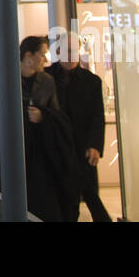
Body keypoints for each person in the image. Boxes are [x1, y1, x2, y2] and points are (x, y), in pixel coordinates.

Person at [0, 36, 79, 222]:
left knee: (44, 206)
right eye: (42, 55)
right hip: (13, 153)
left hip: (41, 155)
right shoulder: (5, 81)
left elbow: (58, 117)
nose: (45, 59)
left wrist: (43, 116)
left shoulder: (47, 82)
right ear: (28, 56)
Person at [47, 32, 112, 222]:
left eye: (75, 50)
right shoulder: (46, 78)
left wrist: (95, 146)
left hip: (82, 148)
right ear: (58, 51)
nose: (72, 55)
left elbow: (97, 117)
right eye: (68, 50)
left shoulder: (91, 82)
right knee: (65, 201)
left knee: (90, 195)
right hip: (57, 149)